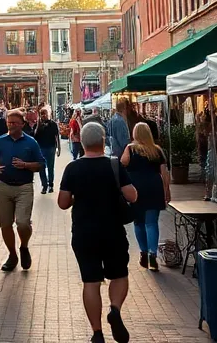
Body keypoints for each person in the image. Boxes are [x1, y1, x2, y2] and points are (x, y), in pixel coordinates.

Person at [58, 122, 137, 343]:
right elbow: (132, 196)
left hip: (84, 232)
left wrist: (78, 197)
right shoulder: (114, 165)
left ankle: (97, 332)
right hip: (112, 230)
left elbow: (63, 203)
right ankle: (115, 309)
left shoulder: (73, 168)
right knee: (119, 274)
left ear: (82, 142)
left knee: (91, 282)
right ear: (103, 141)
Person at [0, 109, 44, 272]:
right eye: (9, 122)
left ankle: (24, 246)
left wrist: (26, 165)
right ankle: (12, 255)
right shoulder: (0, 141)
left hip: (24, 187)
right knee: (5, 224)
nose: (11, 125)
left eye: (14, 123)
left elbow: (41, 164)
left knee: (23, 223)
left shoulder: (31, 142)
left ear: (22, 124)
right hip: (4, 187)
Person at [121, 121, 171, 272]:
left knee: (138, 222)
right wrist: (166, 190)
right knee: (152, 223)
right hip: (154, 186)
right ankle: (152, 254)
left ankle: (143, 251)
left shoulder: (130, 149)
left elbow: (122, 164)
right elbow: (164, 173)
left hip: (136, 188)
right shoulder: (157, 150)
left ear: (135, 134)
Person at [33, 106, 61, 193]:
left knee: (50, 167)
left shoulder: (53, 124)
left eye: (45, 113)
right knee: (41, 167)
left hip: (51, 148)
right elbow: (34, 137)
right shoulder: (37, 125)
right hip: (40, 149)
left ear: (48, 114)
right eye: (41, 114)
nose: (43, 115)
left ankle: (51, 185)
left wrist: (59, 148)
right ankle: (44, 186)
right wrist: (38, 125)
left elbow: (57, 137)